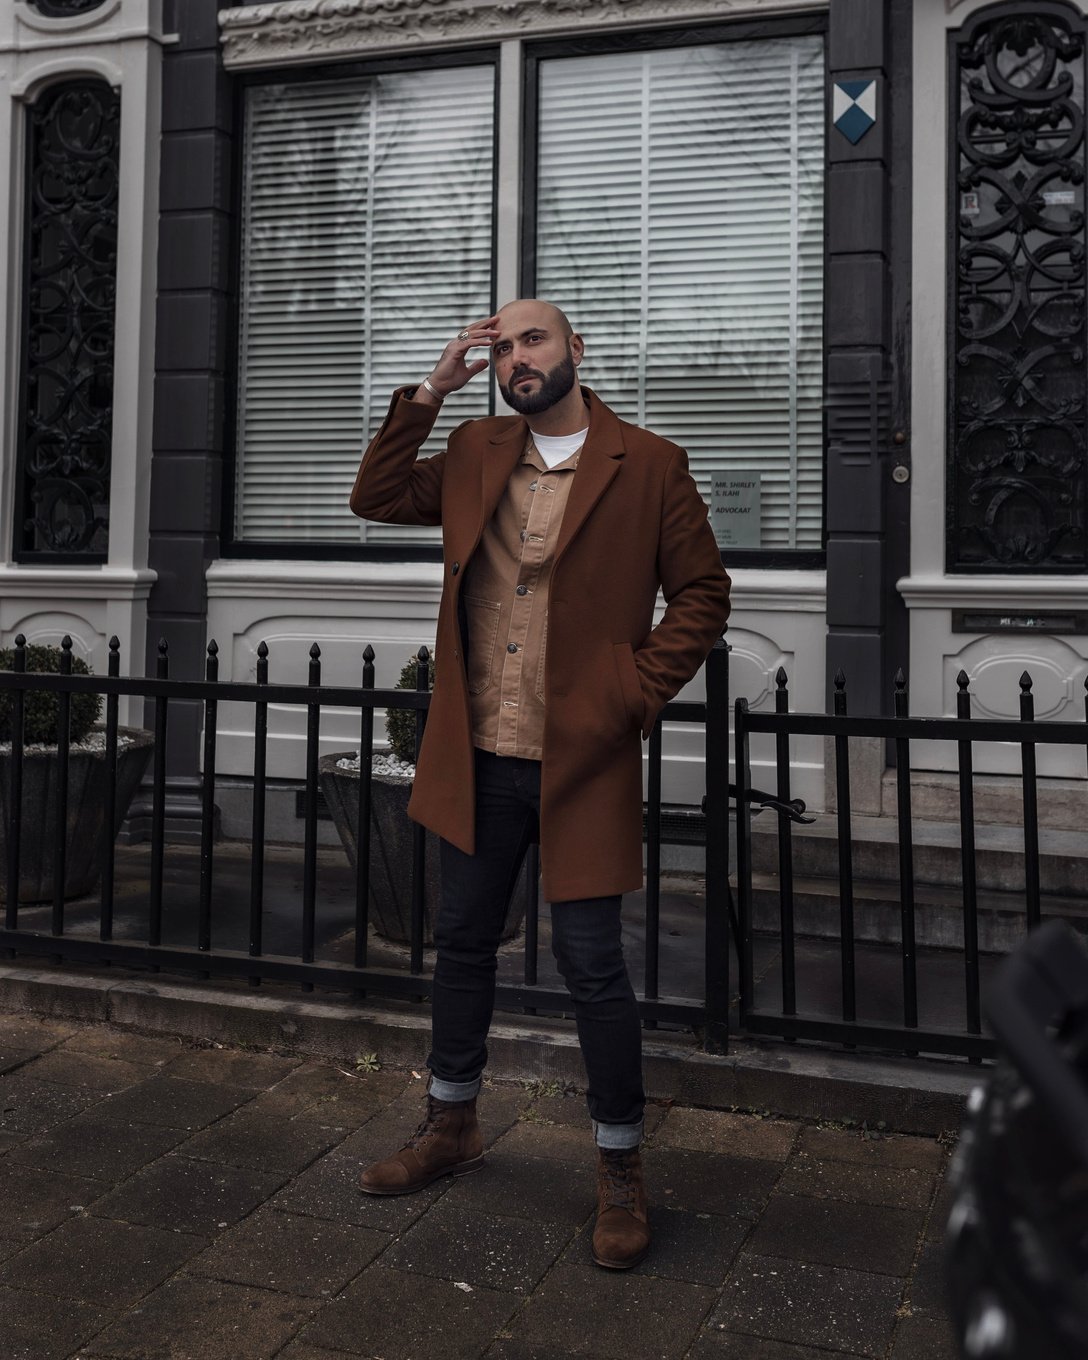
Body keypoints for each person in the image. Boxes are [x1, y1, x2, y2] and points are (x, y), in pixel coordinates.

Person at [348, 299, 731, 1270]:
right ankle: (450, 1124)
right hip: (474, 757)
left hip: (581, 760)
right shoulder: (477, 448)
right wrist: (432, 388)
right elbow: (375, 496)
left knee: (592, 967)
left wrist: (631, 692)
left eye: (534, 339)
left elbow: (701, 593)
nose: (517, 357)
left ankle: (618, 1166)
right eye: (503, 344)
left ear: (573, 352)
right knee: (463, 942)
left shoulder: (646, 462)